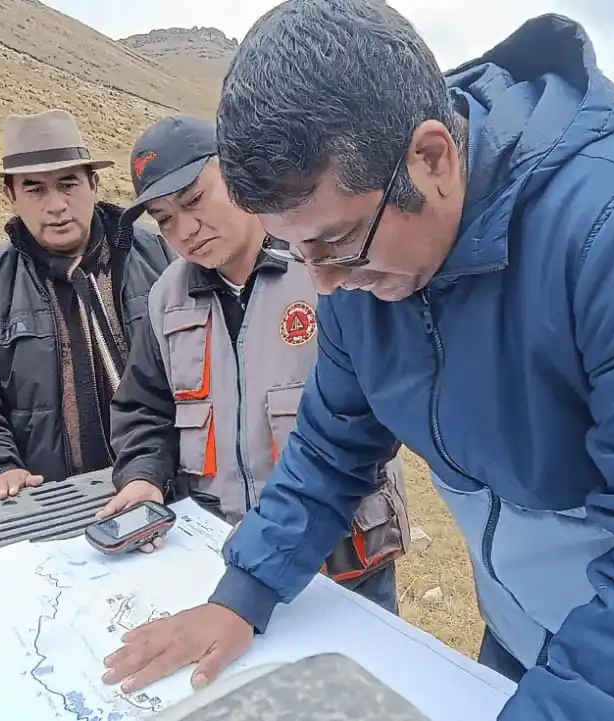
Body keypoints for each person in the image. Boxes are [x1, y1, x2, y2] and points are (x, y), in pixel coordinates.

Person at [99, 3, 614, 720]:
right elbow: (330, 445)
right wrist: (244, 591)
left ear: (432, 157)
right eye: (296, 249)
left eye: (336, 242)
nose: (321, 282)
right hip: (527, 618)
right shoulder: (364, 263)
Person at [101, 114, 411, 614]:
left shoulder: (326, 267)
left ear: (238, 174)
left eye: (194, 201)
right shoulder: (166, 298)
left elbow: (381, 415)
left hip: (342, 555)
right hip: (221, 552)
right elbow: (144, 411)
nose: (184, 231)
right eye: (163, 219)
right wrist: (143, 478)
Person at [0, 110, 174, 500]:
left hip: (167, 484)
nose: (56, 204)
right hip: (54, 500)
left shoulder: (162, 260)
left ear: (93, 184)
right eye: (35, 189)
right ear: (10, 196)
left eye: (68, 184)